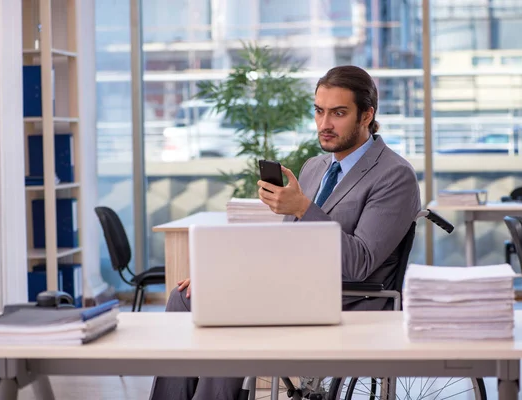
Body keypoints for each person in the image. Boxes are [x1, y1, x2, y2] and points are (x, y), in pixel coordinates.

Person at [149, 65, 421, 400]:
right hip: (291, 290)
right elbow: (286, 248)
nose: (325, 124)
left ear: (367, 116)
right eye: (319, 111)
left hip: (346, 300)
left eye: (338, 113)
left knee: (230, 312)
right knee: (186, 297)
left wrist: (302, 208)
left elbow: (360, 263)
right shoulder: (315, 167)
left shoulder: (394, 176)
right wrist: (224, 275)